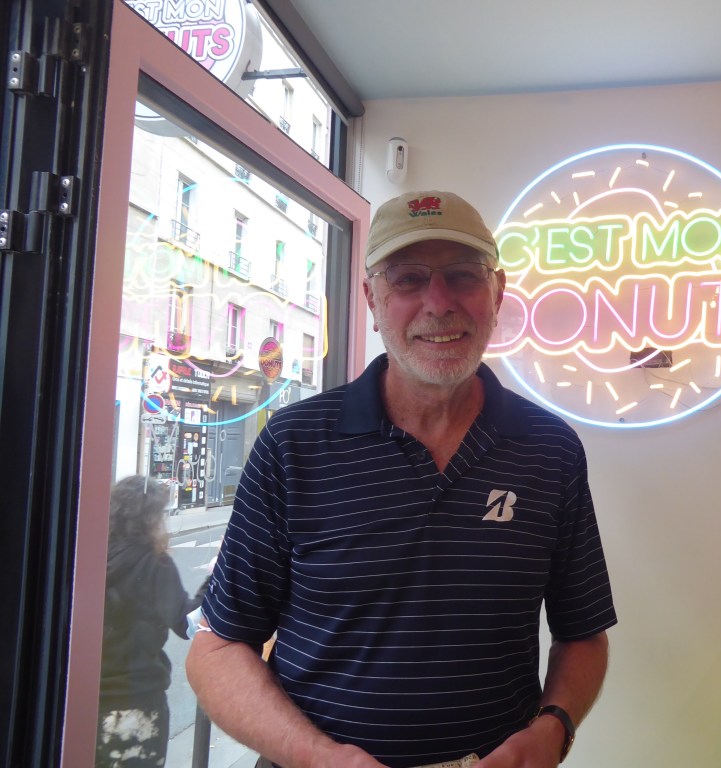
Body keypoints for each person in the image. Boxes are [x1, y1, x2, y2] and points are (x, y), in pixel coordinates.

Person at [186, 190, 617, 768]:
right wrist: (319, 757)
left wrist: (553, 730)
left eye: (462, 275)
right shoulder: (294, 444)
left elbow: (583, 633)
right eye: (408, 279)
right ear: (371, 297)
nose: (438, 304)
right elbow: (217, 648)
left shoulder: (549, 449)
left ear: (497, 291)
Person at [96, 475, 207, 767]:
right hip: (137, 704)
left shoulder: (91, 558)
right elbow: (188, 624)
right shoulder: (154, 564)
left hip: (87, 703)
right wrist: (214, 580)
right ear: (149, 519)